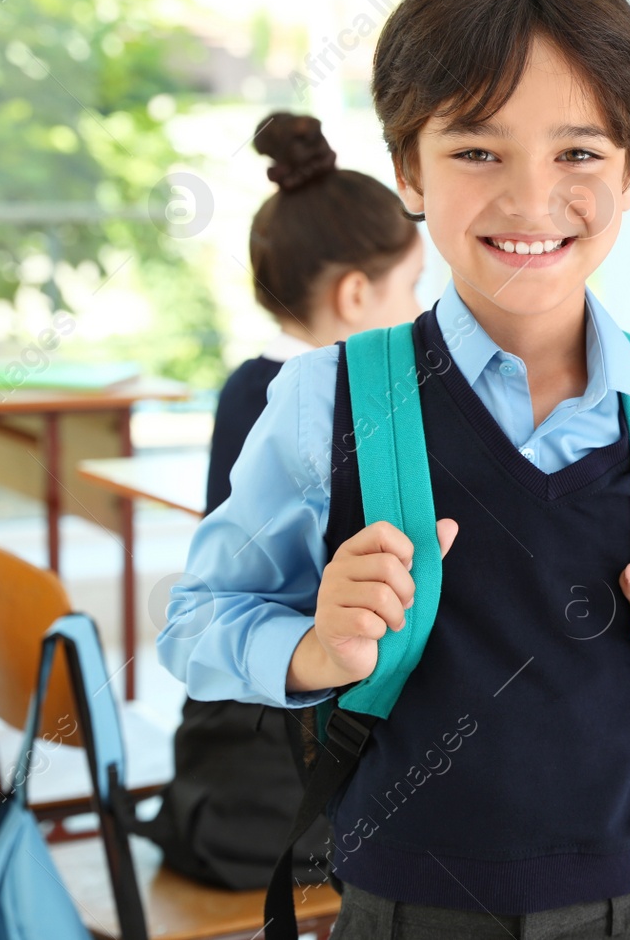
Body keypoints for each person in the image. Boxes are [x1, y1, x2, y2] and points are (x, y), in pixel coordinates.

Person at [158, 0, 630, 940]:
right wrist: (316, 647)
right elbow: (199, 620)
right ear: (408, 169)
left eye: (578, 152)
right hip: (411, 902)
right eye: (478, 151)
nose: (531, 200)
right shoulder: (326, 396)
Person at [141, 112, 424, 890]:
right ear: (360, 293)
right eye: (414, 287)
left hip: (244, 712)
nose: (422, 310)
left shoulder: (244, 382)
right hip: (295, 733)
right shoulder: (337, 401)